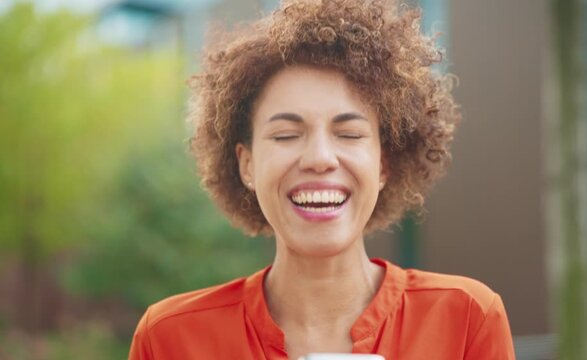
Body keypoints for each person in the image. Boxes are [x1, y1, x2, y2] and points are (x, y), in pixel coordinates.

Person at [128, 0, 516, 359]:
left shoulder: (466, 319)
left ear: (384, 164)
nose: (319, 159)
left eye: (348, 134)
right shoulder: (169, 338)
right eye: (286, 135)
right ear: (247, 165)